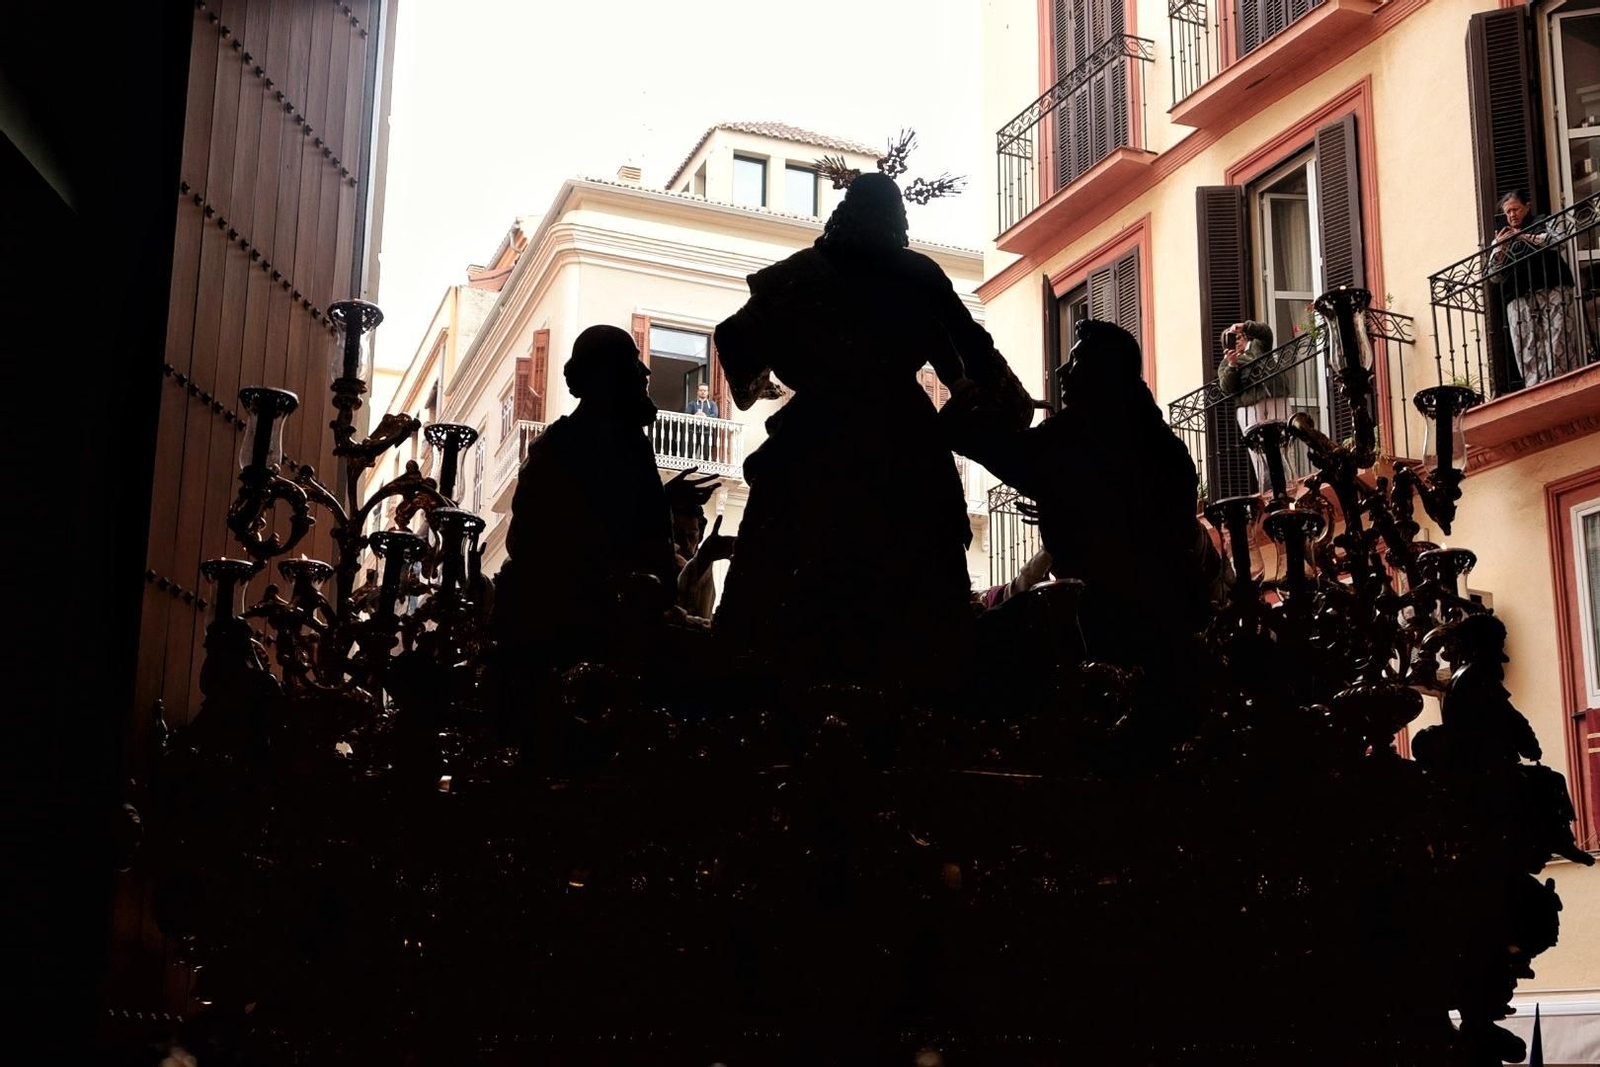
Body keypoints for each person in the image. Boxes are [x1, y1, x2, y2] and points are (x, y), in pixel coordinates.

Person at [711, 172, 1031, 685]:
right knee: (921, 590)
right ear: (896, 220)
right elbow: (973, 349)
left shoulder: (794, 275)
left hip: (814, 437)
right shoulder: (917, 275)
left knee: (775, 586)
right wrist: (1006, 402)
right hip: (901, 436)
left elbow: (733, 336)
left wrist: (762, 383)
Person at [954, 320, 1215, 673]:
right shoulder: (1159, 442)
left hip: (1107, 617)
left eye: (1075, 360)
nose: (1062, 371)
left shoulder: (1078, 433)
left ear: (1103, 370)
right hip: (1172, 615)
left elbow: (1002, 450)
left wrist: (965, 402)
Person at [492, 324, 717, 669]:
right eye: (632, 362)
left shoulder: (630, 445)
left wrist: (663, 499)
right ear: (605, 376)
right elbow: (535, 543)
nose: (645, 373)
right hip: (581, 635)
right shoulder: (560, 448)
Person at [1488, 189, 1582, 388]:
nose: (1512, 215)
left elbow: (1560, 242)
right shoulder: (1499, 238)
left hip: (1552, 287)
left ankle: (1560, 384)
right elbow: (1493, 275)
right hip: (1517, 295)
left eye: (1515, 209)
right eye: (1507, 212)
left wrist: (1524, 236)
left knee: (1558, 339)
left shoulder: (1543, 222)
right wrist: (1500, 249)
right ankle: (1536, 388)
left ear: (1527, 207)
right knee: (1526, 345)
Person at [1216, 319, 1296, 490]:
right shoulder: (1225, 364)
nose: (1236, 341)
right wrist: (1232, 365)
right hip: (1250, 407)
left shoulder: (1258, 346)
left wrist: (1245, 326)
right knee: (1259, 449)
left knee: (1284, 441)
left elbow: (1266, 333)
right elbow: (1227, 387)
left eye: (1238, 337)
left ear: (1245, 336)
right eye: (1230, 340)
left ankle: (1290, 481)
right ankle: (1269, 488)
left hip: (1275, 398)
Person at [685, 381, 719, 461]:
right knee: (690, 453)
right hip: (693, 431)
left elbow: (715, 415)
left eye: (705, 390)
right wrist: (695, 416)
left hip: (707, 432)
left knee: (705, 454)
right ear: (698, 392)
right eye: (701, 390)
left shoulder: (712, 404)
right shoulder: (692, 404)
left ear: (707, 392)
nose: (703, 392)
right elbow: (686, 415)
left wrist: (705, 416)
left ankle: (703, 469)